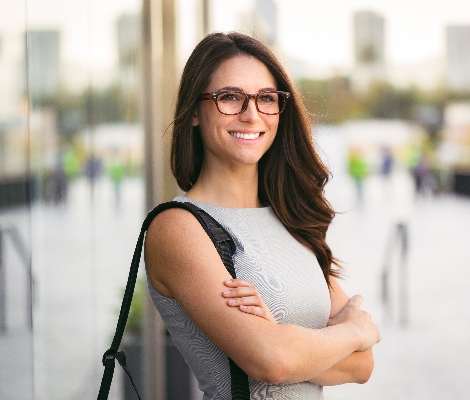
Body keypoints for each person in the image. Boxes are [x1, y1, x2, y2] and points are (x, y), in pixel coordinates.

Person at [144, 32, 380, 399]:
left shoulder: (291, 217)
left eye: (266, 98)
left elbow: (362, 365)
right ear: (193, 111)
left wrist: (284, 340)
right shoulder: (177, 227)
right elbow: (273, 362)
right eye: (230, 97)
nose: (251, 114)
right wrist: (352, 332)